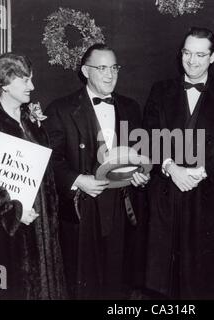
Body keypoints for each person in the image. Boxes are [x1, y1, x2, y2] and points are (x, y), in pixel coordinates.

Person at [142, 27, 214, 299]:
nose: (192, 61)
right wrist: (170, 167)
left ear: (213, 57)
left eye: (200, 55)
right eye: (187, 53)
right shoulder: (160, 90)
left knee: (205, 279)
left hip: (209, 197)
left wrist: (203, 172)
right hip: (166, 197)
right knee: (163, 281)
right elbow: (147, 136)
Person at [44, 43, 149, 299]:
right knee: (82, 283)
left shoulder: (131, 107)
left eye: (114, 67)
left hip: (122, 206)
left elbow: (141, 154)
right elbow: (50, 159)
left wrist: (141, 175)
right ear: (85, 71)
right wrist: (78, 180)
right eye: (102, 68)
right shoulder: (60, 109)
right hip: (81, 207)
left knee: (118, 283)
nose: (110, 74)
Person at [0, 53, 66, 299]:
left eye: (31, 79)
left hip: (43, 233)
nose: (32, 86)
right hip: (8, 240)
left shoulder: (30, 121)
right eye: (24, 80)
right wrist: (15, 212)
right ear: (4, 83)